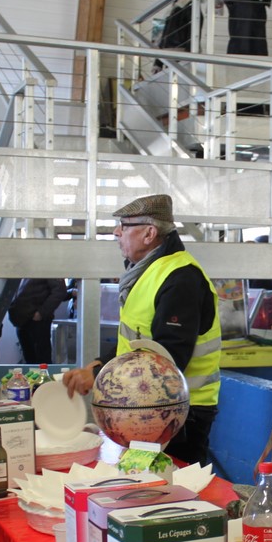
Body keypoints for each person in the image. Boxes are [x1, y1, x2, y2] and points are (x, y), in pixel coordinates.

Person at [62, 193, 221, 467]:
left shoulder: (180, 278)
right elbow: (135, 340)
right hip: (145, 409)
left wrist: (102, 377)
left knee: (174, 495)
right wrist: (99, 365)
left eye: (124, 226)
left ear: (149, 233)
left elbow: (168, 357)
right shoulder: (146, 272)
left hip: (179, 414)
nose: (116, 232)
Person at [9, 278, 72, 365]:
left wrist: (42, 312)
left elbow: (60, 291)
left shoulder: (44, 267)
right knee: (28, 360)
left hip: (37, 321)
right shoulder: (23, 270)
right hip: (21, 320)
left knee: (41, 360)